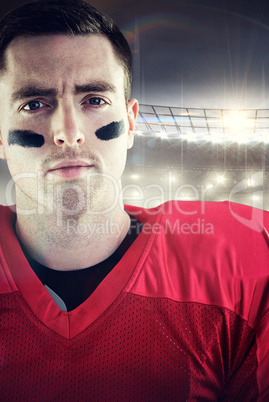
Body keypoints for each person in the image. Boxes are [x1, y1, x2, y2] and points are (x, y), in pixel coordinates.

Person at [0, 0, 268, 400]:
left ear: (130, 124)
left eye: (94, 100)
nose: (68, 132)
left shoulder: (243, 261)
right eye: (34, 104)